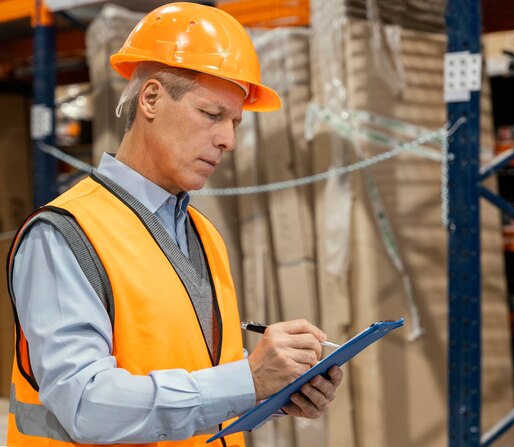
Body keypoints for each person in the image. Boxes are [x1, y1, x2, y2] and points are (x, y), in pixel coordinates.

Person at [6, 3, 342, 447]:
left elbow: (187, 366)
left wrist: (274, 389)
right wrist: (247, 379)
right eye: (212, 115)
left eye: (235, 122)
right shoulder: (65, 234)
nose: (229, 140)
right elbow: (86, 405)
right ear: (150, 98)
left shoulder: (203, 233)